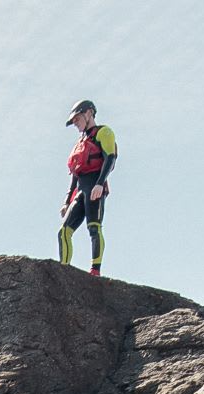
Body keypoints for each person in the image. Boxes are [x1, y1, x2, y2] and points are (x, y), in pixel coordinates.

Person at [58, 100, 116, 276]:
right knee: (64, 231)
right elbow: (75, 174)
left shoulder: (103, 132)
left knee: (94, 227)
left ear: (89, 113)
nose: (75, 123)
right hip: (81, 189)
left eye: (77, 118)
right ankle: (64, 270)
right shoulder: (80, 144)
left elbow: (110, 157)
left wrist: (100, 183)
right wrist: (67, 200)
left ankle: (95, 270)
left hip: (94, 186)